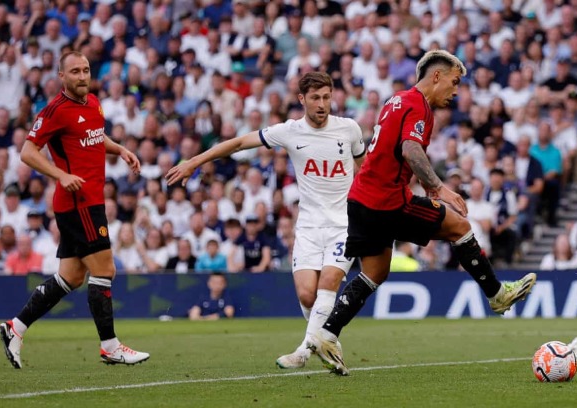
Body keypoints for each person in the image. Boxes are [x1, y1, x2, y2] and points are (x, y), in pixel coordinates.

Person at [306, 50, 537, 376]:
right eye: (454, 83)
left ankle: (327, 334)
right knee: (459, 226)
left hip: (360, 199)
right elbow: (410, 149)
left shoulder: (395, 99)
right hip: (387, 201)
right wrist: (437, 188)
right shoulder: (419, 107)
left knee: (374, 272)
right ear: (437, 76)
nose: (456, 92)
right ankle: (498, 294)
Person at [166, 71, 366, 369]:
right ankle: (329, 342)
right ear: (302, 99)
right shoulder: (289, 131)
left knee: (327, 286)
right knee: (307, 294)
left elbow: (364, 167)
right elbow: (238, 144)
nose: (323, 104)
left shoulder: (349, 129)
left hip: (343, 225)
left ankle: (303, 351)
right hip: (309, 227)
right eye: (315, 98)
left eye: (327, 97)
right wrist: (194, 161)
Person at [0, 51, 149, 370]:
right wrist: (60, 174)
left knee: (71, 276)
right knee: (105, 270)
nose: (82, 76)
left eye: (86, 70)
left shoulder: (92, 102)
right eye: (75, 71)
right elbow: (27, 151)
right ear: (61, 76)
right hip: (78, 202)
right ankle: (109, 347)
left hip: (89, 201)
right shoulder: (55, 110)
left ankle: (15, 328)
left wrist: (120, 149)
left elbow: (94, 137)